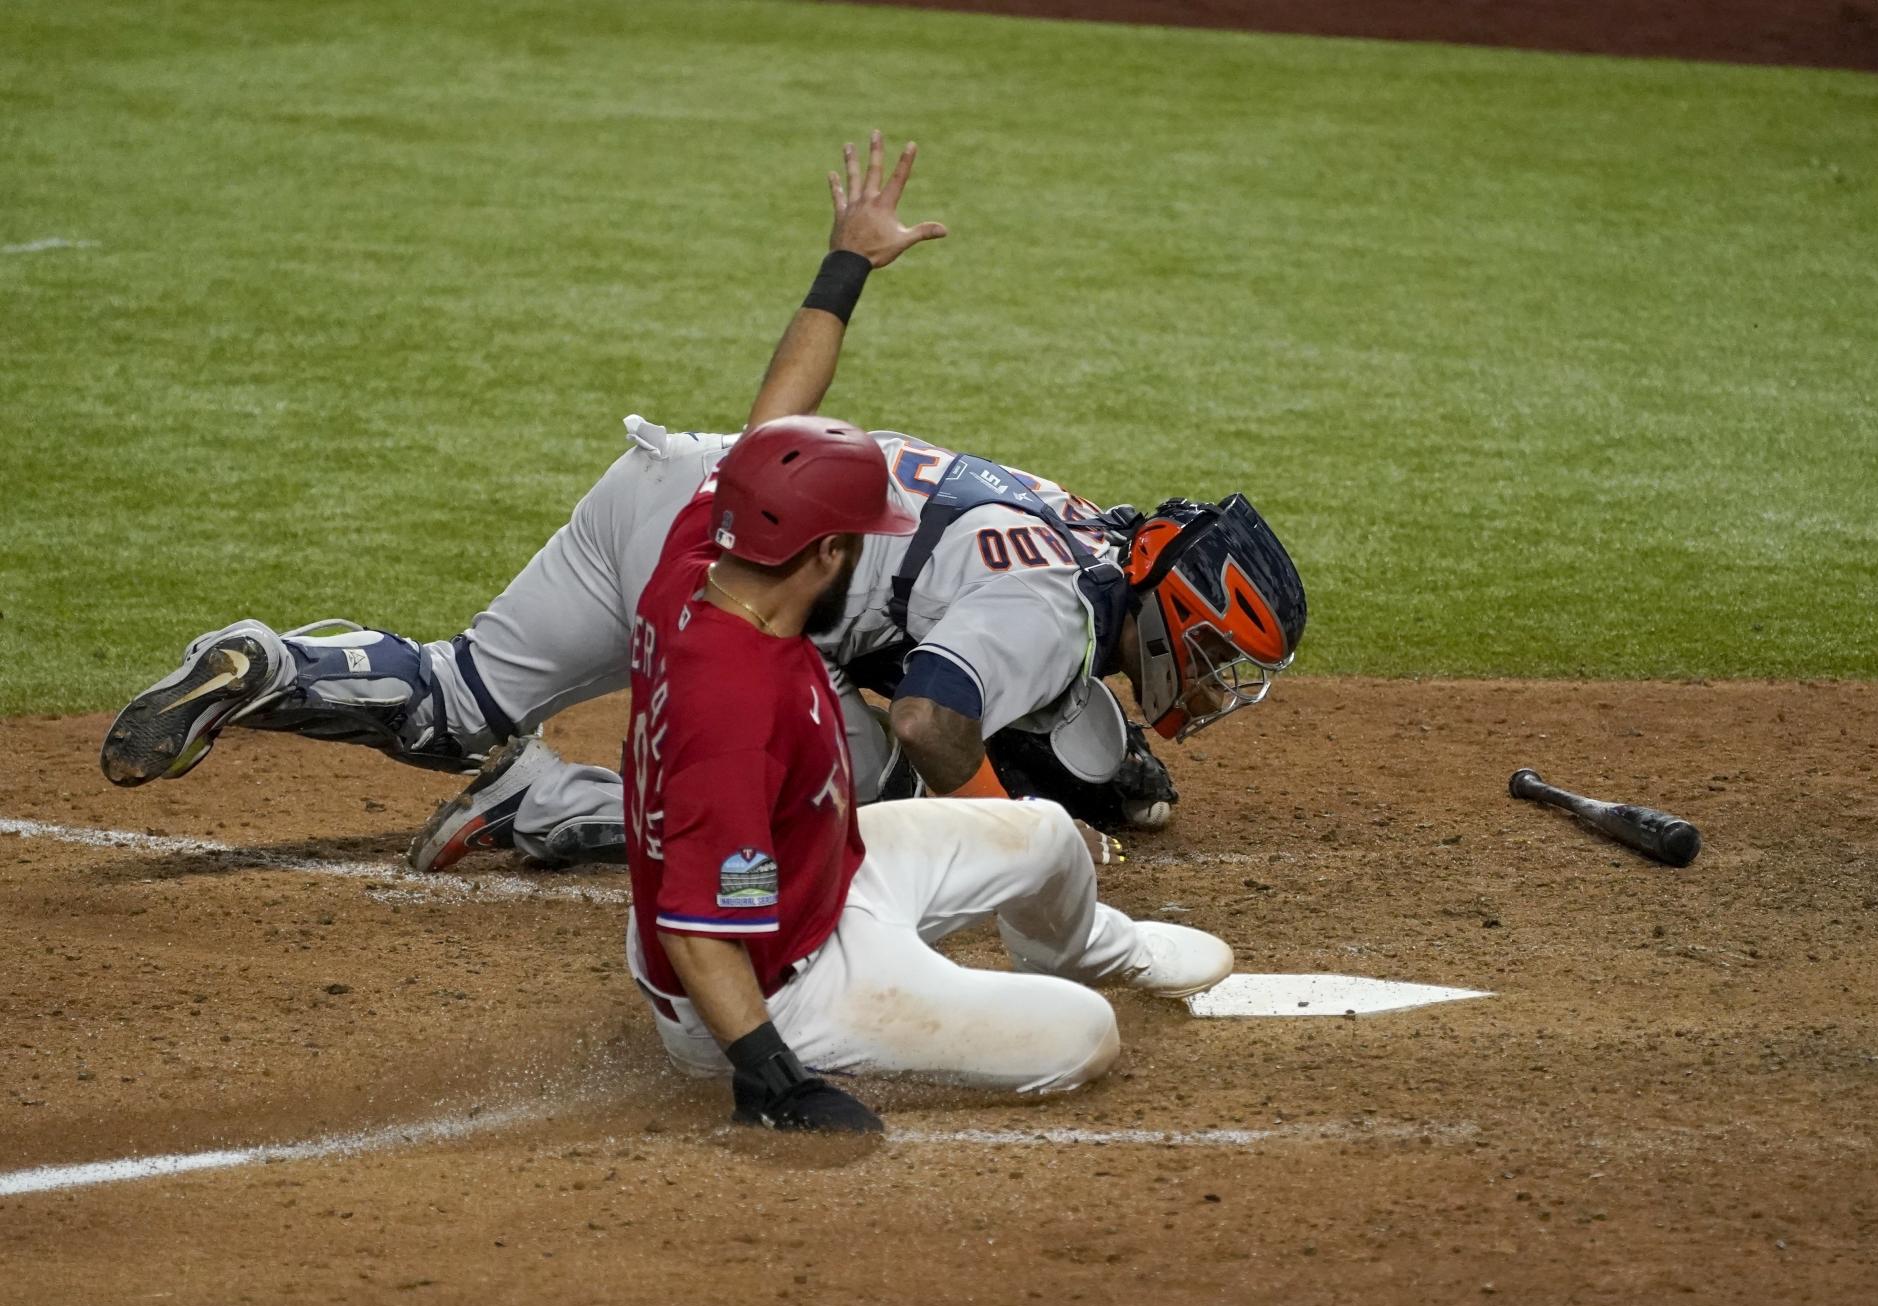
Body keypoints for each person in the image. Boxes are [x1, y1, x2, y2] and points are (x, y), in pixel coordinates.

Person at [98, 132, 1308, 870]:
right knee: (861, 793)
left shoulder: (1063, 519)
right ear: (1171, 602)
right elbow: (946, 723)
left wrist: (844, 261)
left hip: (672, 482)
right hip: (741, 576)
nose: (1206, 682)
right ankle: (552, 804)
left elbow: (779, 421)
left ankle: (269, 664)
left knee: (458, 696)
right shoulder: (1052, 600)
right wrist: (1018, 833)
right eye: (1211, 652)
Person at [627, 409, 1232, 1130]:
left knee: (1038, 830)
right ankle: (794, 1039)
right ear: (824, 554)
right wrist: (772, 1072)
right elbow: (700, 927)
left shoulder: (700, 558)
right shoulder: (733, 708)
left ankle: (1097, 948)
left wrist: (835, 293)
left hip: (827, 867)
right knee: (1085, 1037)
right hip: (782, 982)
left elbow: (774, 420)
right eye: (860, 539)